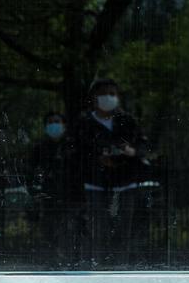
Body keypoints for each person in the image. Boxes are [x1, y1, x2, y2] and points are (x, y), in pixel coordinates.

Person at [74, 78, 151, 265]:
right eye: (103, 93)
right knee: (98, 228)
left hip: (125, 181)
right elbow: (78, 152)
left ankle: (120, 267)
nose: (108, 97)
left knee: (124, 228)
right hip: (96, 183)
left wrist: (130, 152)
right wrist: (99, 158)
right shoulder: (85, 123)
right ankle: (96, 267)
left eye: (113, 93)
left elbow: (143, 146)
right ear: (94, 97)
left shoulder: (127, 120)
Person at [28, 112, 79, 262]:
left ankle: (70, 261)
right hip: (48, 196)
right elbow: (31, 172)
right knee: (49, 231)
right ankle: (51, 261)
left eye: (57, 121)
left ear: (64, 125)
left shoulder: (72, 146)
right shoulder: (39, 148)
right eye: (50, 122)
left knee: (70, 230)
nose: (54, 125)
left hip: (70, 196)